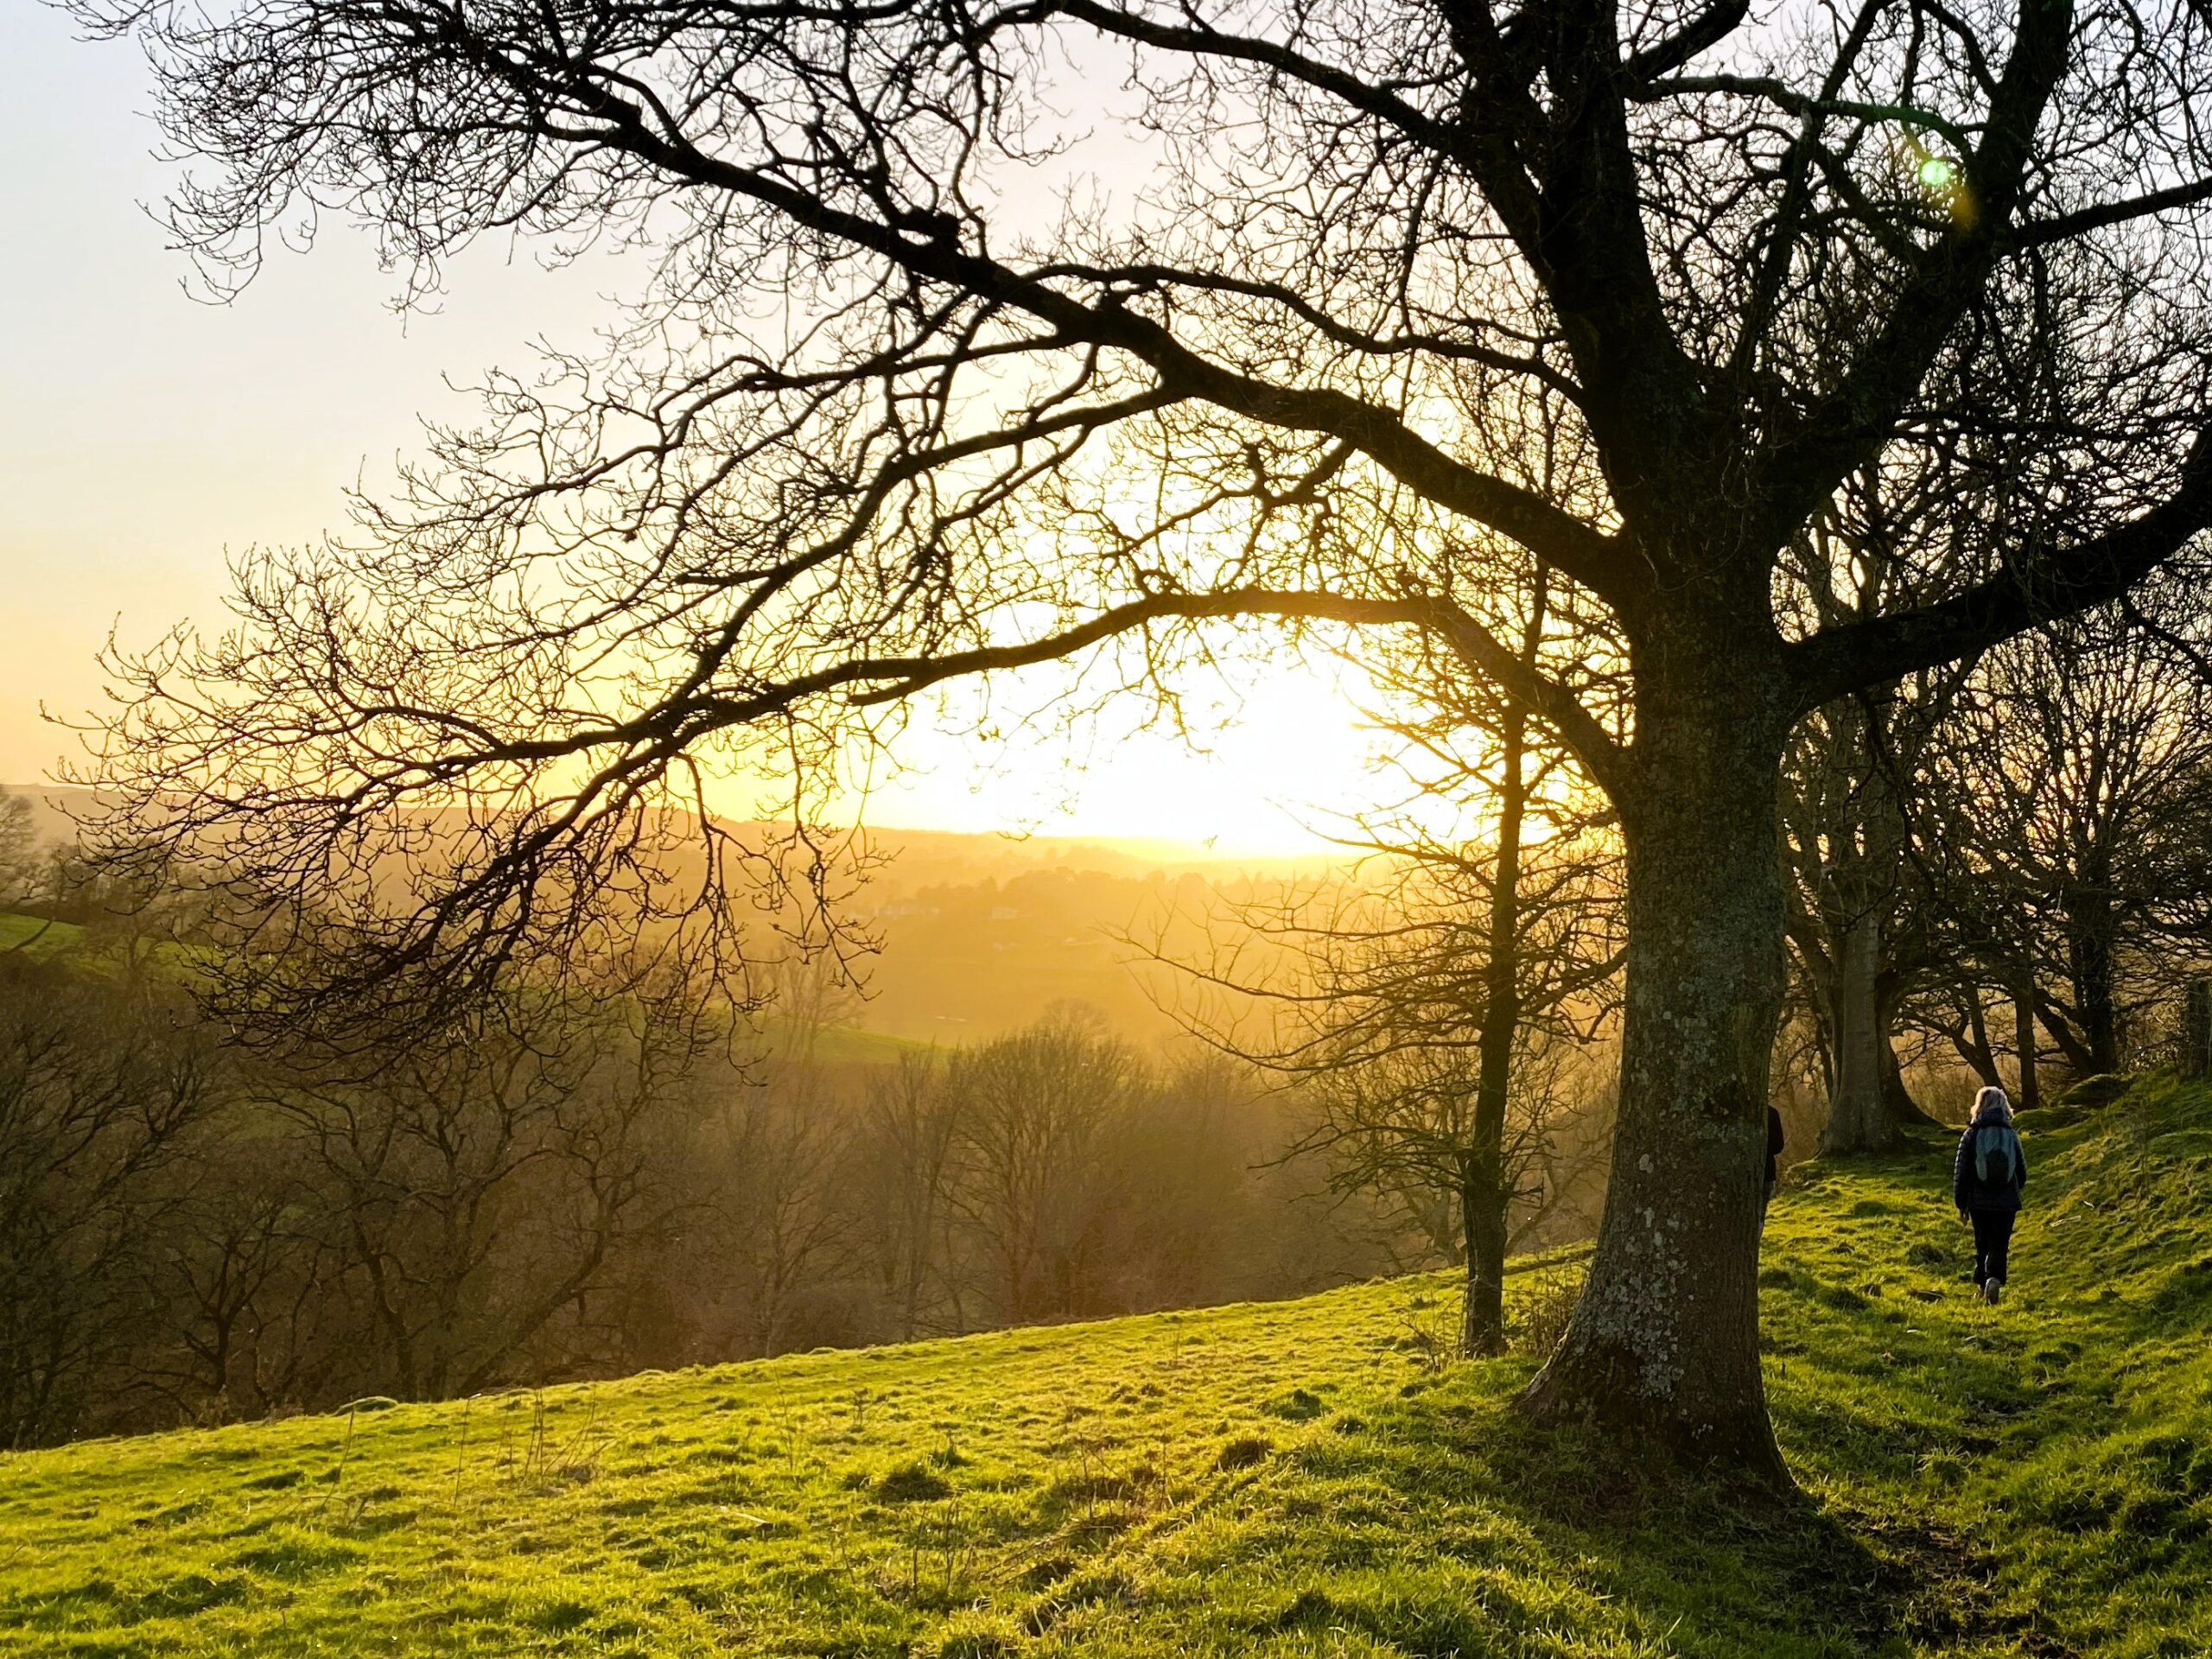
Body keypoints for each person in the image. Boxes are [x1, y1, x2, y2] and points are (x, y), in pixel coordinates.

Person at [1953, 1084, 2027, 1304]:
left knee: (1982, 1243)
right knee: (2000, 1244)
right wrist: (2015, 1189)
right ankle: (1994, 1278)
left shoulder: (1972, 1134)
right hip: (2006, 1202)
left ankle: (1981, 1285)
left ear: (1980, 1105)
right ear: (2004, 1106)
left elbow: (1962, 1171)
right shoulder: (2010, 1134)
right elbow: (2021, 1171)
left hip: (1979, 1201)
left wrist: (1961, 1203)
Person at [1762, 1105, 1785, 1233]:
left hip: (1740, 1176)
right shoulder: (1771, 1113)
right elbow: (1778, 1146)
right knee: (1760, 1215)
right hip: (1767, 1171)